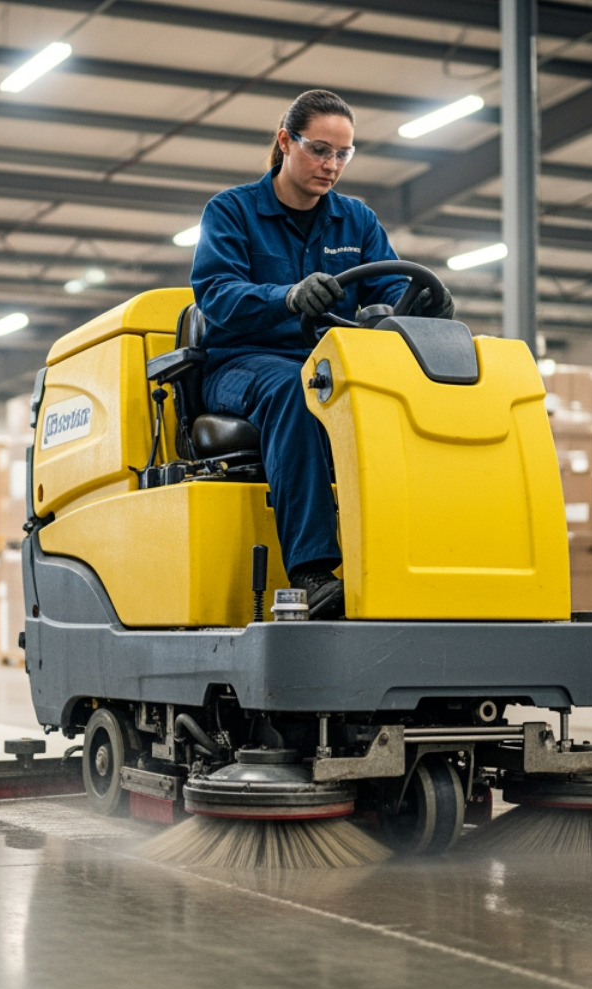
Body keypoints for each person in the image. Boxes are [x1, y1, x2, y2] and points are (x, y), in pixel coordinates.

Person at [189, 89, 454, 620]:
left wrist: (426, 302)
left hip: (331, 363)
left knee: (400, 398)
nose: (331, 166)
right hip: (241, 364)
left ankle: (420, 557)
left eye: (343, 154)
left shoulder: (356, 220)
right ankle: (311, 572)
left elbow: (388, 286)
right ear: (286, 141)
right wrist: (284, 296)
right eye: (319, 150)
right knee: (297, 388)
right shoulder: (233, 211)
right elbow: (214, 295)